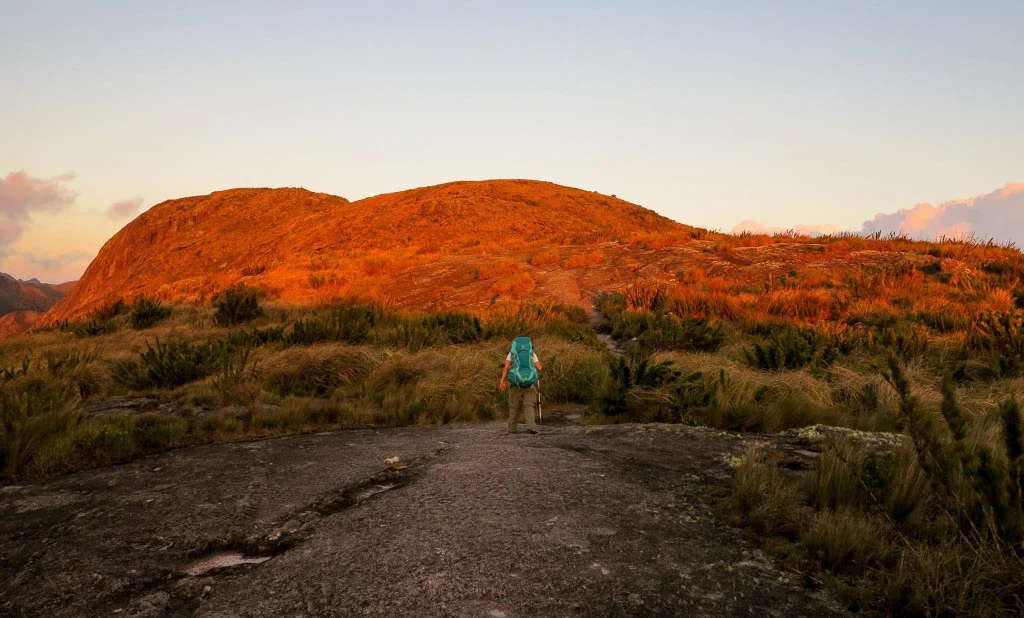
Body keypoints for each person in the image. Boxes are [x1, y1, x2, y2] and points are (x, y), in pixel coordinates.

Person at [499, 335, 543, 434]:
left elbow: (506, 368)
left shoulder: (512, 354)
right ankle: (531, 427)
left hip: (515, 384)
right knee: (529, 406)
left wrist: (502, 381)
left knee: (514, 406)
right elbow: (539, 368)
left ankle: (512, 429)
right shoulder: (531, 354)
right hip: (530, 384)